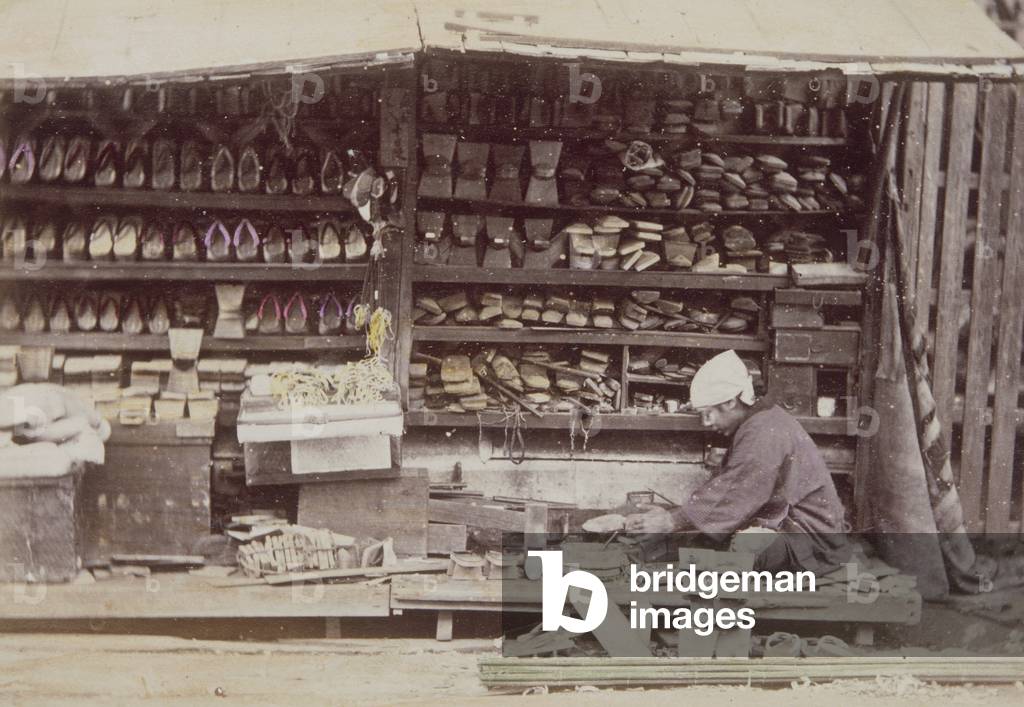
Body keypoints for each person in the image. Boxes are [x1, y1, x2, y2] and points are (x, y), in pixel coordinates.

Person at [625, 350, 851, 574]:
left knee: (744, 546)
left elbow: (734, 494)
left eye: (708, 413)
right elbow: (730, 490)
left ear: (731, 402)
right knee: (697, 537)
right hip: (783, 521)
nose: (706, 423)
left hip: (811, 540)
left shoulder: (764, 431)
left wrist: (672, 521)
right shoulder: (761, 420)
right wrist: (678, 517)